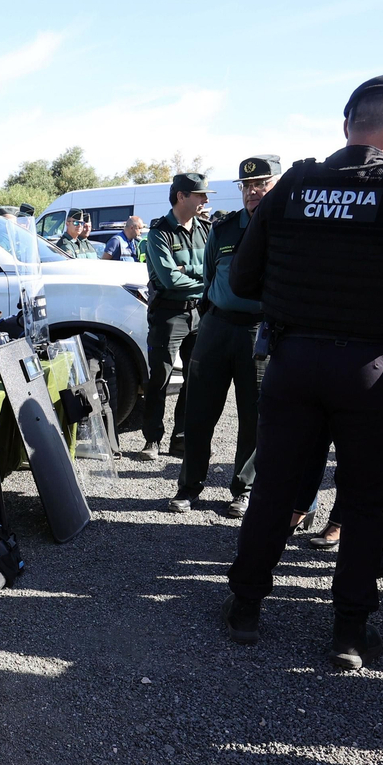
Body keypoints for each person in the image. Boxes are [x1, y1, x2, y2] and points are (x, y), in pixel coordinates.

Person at [220, 75, 383, 669]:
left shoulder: (295, 185)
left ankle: (245, 610)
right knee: (362, 502)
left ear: (345, 125)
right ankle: (350, 633)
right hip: (369, 367)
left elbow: (242, 281)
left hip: (292, 360)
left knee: (275, 489)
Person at [169, 156, 281, 516]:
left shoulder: (287, 230)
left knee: (254, 415)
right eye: (247, 186)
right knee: (199, 411)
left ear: (276, 184)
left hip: (258, 331)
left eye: (261, 184)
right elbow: (208, 275)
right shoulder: (224, 228)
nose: (253, 191)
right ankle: (189, 486)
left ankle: (243, 488)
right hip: (217, 326)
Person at [139, 173, 213, 459]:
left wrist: (191, 274)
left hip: (200, 312)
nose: (205, 200)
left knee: (195, 379)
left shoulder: (206, 229)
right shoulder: (159, 232)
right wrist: (205, 281)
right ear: (181, 196)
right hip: (169, 314)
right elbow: (170, 280)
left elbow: (216, 267)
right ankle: (152, 439)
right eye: (200, 195)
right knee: (160, 378)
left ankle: (180, 438)